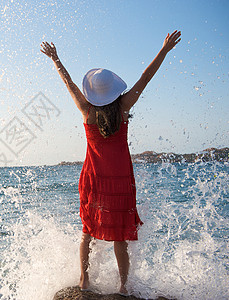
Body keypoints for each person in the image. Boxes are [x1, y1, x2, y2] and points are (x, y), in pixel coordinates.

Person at [41, 30, 181, 294]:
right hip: (119, 181)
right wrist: (164, 50)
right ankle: (124, 286)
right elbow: (145, 78)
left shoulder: (87, 111)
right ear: (115, 91)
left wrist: (55, 59)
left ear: (93, 93)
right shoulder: (124, 107)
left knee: (87, 231)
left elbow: (69, 83)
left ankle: (84, 280)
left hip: (93, 178)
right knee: (120, 237)